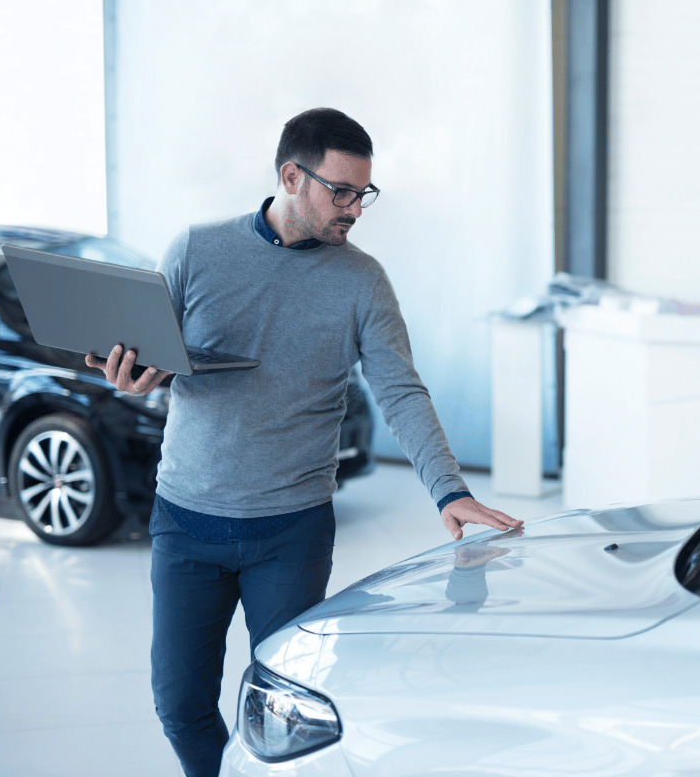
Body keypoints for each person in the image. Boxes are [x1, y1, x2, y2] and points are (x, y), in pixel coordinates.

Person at [87, 107, 523, 777]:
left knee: (292, 715)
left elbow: (401, 391)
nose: (354, 209)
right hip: (186, 521)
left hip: (289, 533)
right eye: (341, 191)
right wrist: (132, 378)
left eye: (363, 194)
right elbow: (147, 358)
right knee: (178, 703)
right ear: (292, 176)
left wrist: (450, 489)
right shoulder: (195, 252)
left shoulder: (362, 281)